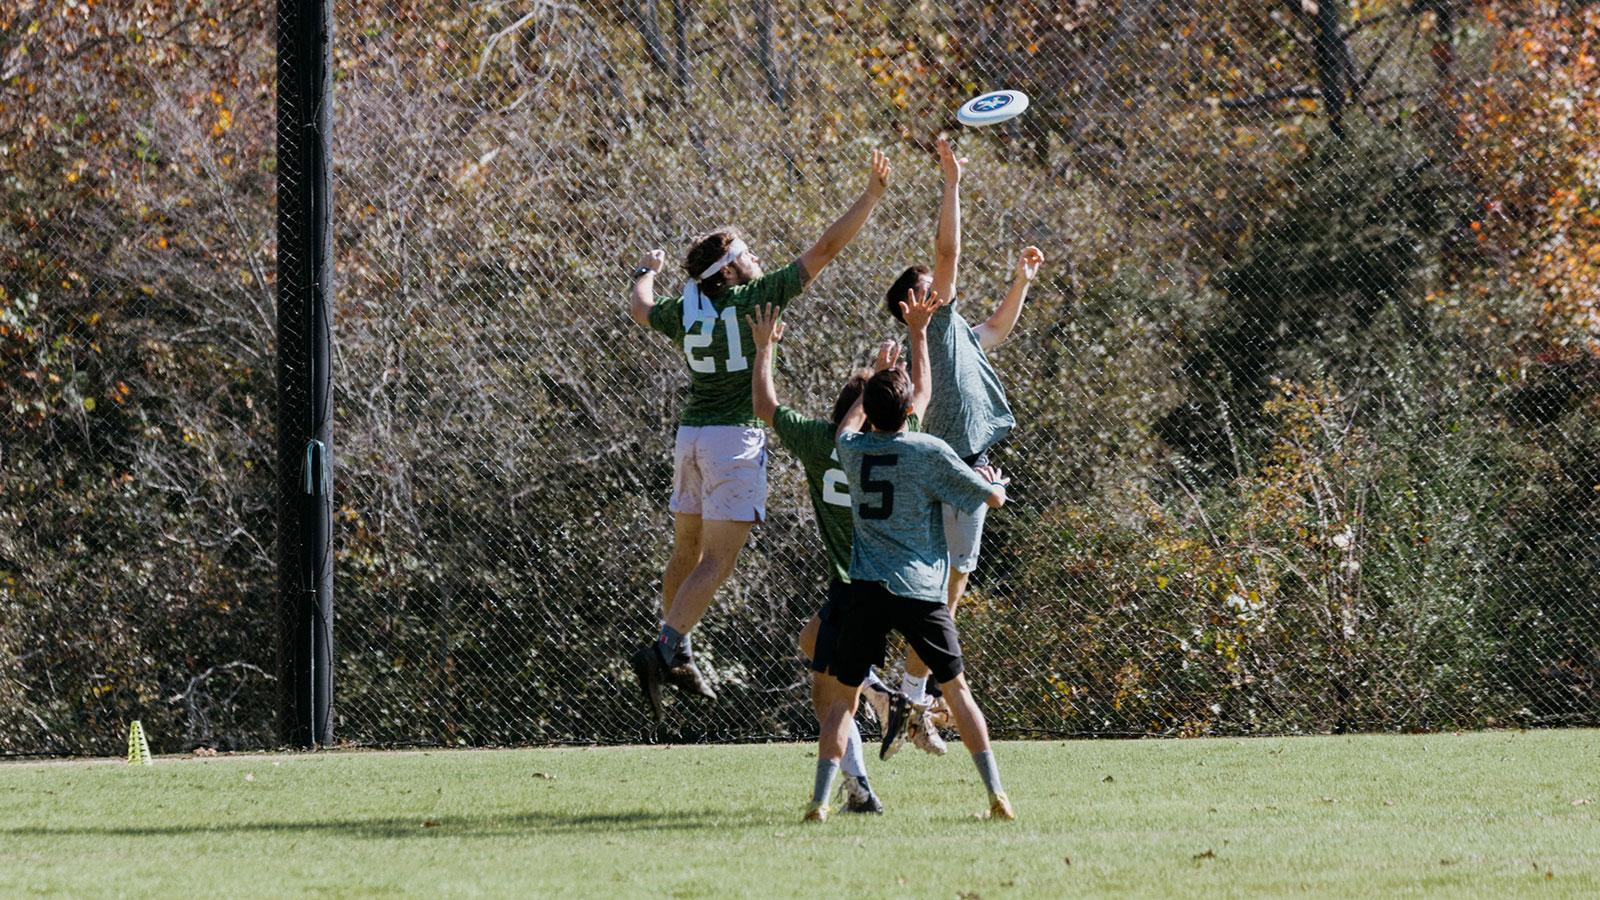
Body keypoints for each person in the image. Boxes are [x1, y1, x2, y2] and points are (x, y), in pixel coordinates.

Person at [626, 151, 893, 724]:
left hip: (690, 436)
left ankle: (679, 646)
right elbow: (824, 250)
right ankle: (666, 650)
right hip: (732, 442)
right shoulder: (753, 301)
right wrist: (870, 195)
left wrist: (645, 269)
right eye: (743, 255)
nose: (753, 259)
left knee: (685, 552)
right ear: (726, 272)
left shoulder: (686, 311)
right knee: (717, 562)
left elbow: (641, 308)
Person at [878, 136, 1043, 753]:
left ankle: (911, 697)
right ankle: (913, 694)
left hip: (962, 466)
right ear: (915, 304)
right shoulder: (938, 323)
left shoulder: (959, 334)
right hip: (948, 468)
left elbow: (1000, 326)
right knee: (944, 589)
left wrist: (1020, 281)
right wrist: (950, 182)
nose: (942, 279)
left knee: (946, 588)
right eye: (930, 283)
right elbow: (947, 248)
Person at [748, 289, 940, 812]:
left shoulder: (822, 444)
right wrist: (913, 340)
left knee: (827, 693)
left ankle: (856, 771)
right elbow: (919, 392)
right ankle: (863, 774)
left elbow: (764, 405)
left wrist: (765, 347)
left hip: (853, 585)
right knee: (812, 643)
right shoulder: (900, 441)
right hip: (903, 579)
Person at [802, 363, 1015, 823]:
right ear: (910, 410)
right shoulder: (928, 449)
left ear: (871, 412)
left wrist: (870, 385)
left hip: (867, 588)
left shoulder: (852, 450)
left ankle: (819, 802)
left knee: (843, 699)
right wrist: (995, 484)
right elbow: (989, 498)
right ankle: (997, 796)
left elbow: (845, 428)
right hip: (920, 589)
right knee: (957, 690)